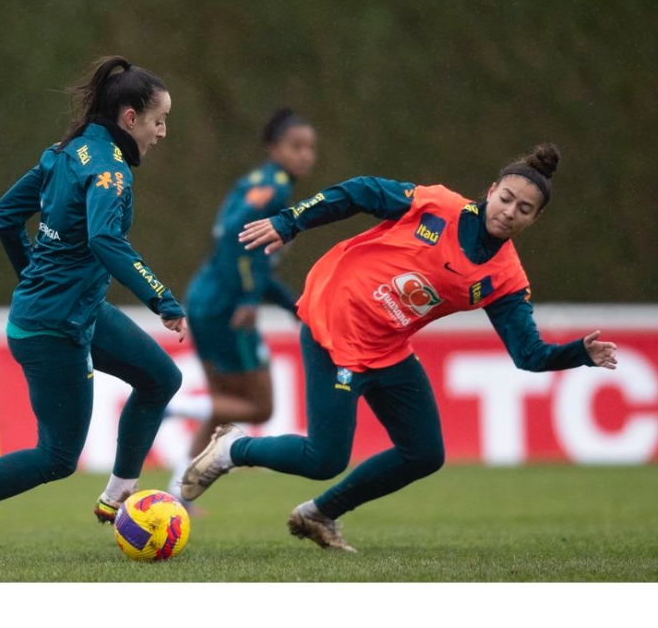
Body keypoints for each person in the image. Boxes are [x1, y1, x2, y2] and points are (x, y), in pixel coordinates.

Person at [180, 144, 618, 552]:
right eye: (506, 198)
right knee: (324, 457)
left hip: (387, 346)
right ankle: (232, 450)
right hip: (336, 319)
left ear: (533, 220)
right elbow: (360, 191)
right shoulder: (439, 206)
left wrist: (579, 353)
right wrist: (289, 220)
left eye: (524, 209)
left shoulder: (505, 279)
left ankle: (319, 514)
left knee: (425, 453)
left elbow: (529, 355)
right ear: (491, 191)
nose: (508, 212)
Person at [0, 56, 187, 563]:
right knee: (56, 457)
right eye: (159, 120)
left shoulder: (66, 152)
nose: (163, 132)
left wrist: (32, 274)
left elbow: (5, 214)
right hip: (54, 327)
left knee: (160, 377)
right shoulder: (109, 172)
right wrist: (162, 299)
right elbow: (105, 240)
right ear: (129, 118)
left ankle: (119, 492)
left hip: (72, 311)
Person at [167, 108, 317, 507]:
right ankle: (175, 404)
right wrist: (254, 299)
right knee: (261, 406)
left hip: (206, 298)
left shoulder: (253, 183)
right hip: (228, 305)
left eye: (310, 148)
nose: (305, 155)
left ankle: (176, 493)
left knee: (222, 411)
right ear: (273, 148)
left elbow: (230, 241)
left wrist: (290, 307)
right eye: (296, 146)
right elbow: (238, 242)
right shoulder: (274, 189)